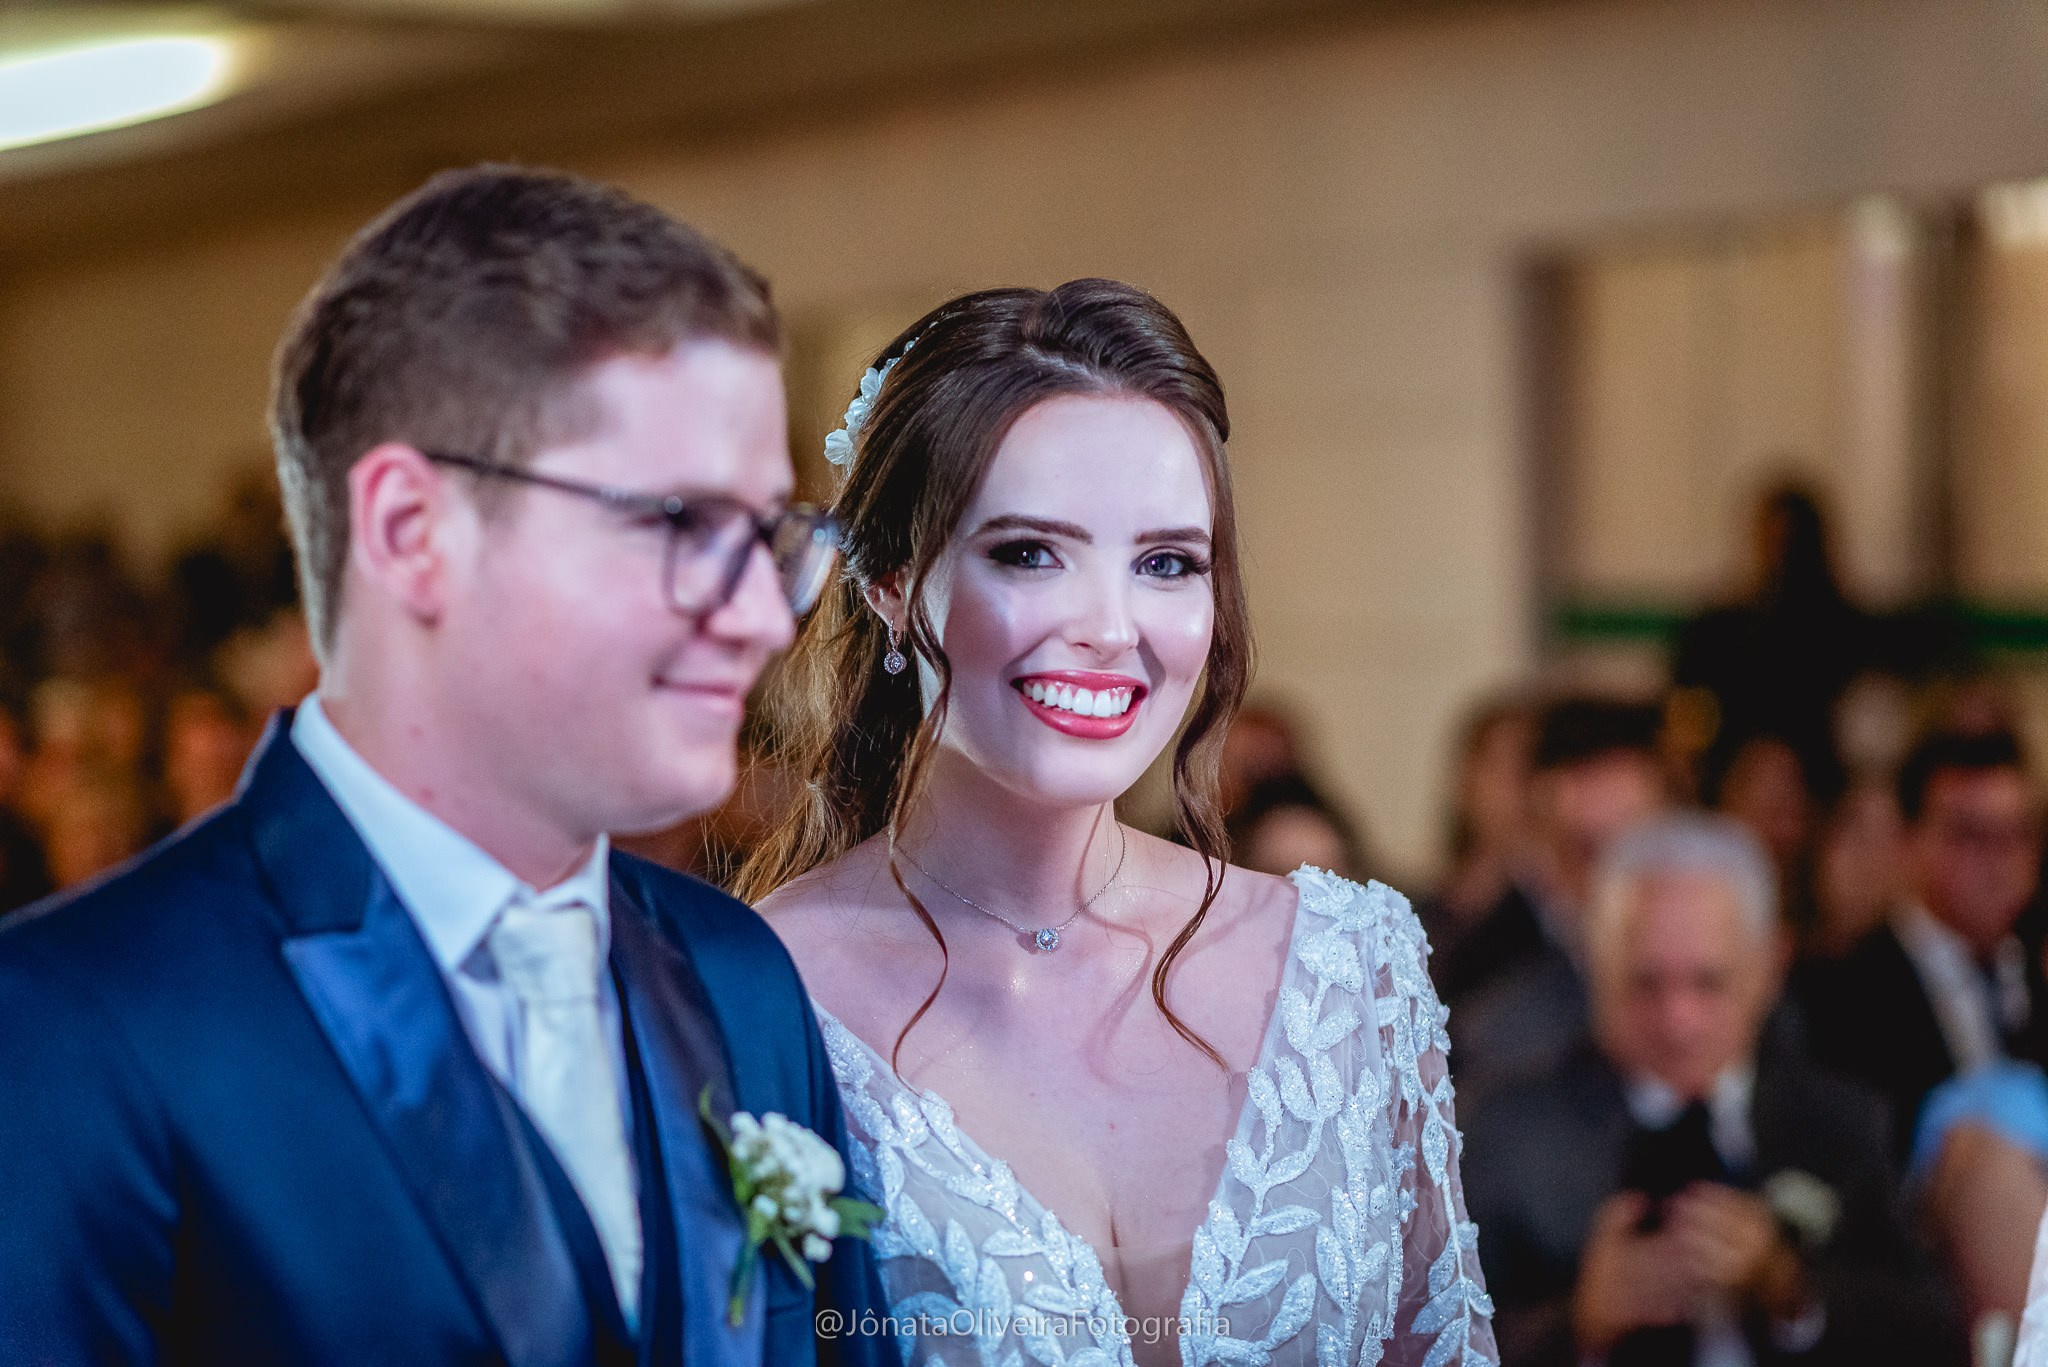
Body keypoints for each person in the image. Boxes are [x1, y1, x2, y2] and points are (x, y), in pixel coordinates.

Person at [0, 166, 893, 1367]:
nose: (759, 616)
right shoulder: (73, 1026)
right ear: (413, 533)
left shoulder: (741, 979)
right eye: (680, 523)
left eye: (771, 534)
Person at [741, 280, 1495, 1366]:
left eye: (1165, 563)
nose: (1107, 626)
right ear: (892, 583)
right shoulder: (759, 993)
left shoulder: (1348, 973)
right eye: (1029, 552)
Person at [1463, 814, 1963, 1367]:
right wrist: (1577, 1325)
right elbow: (1427, 1342)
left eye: (1709, 983)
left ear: (1769, 968)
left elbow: (1931, 1333)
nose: (1679, 1023)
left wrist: (1790, 1288)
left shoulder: (1834, 1120)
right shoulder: (1509, 1133)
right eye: (1645, 984)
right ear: (1595, 966)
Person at [1792, 726, 2046, 1158]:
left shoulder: (2037, 972)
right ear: (1909, 842)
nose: (2001, 863)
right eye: (1972, 836)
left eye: (2018, 835)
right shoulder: (1838, 989)